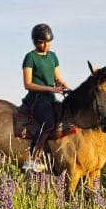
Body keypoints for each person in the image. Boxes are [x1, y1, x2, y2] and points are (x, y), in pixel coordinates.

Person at [21, 23, 69, 172]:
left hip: (50, 98)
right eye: (43, 42)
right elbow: (27, 84)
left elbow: (56, 77)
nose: (46, 45)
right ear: (35, 42)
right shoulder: (30, 57)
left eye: (48, 41)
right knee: (48, 123)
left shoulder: (53, 56)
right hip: (36, 99)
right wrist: (51, 88)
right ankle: (32, 159)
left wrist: (61, 84)